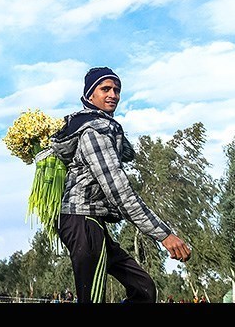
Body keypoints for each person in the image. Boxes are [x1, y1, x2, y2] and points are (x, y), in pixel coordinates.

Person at [52, 66, 191, 303]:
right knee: (92, 298)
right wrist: (164, 235)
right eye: (105, 89)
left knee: (143, 289)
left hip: (93, 221)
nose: (113, 95)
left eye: (117, 90)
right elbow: (119, 190)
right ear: (89, 95)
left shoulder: (105, 129)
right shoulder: (94, 131)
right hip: (81, 220)